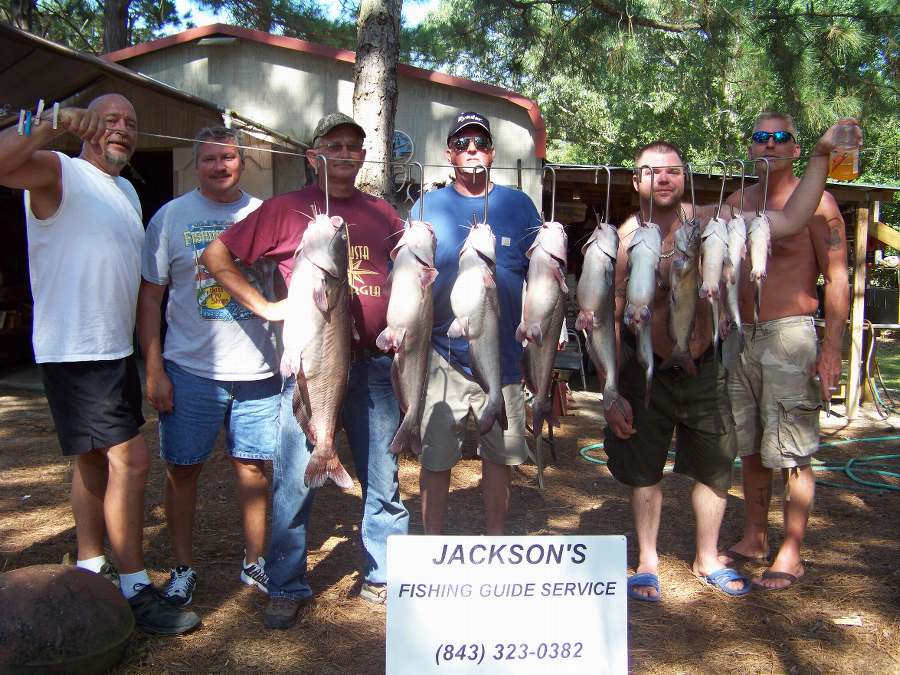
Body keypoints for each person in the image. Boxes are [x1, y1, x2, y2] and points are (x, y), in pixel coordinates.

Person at [603, 120, 855, 601]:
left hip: (704, 364)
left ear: (686, 179)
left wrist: (820, 157)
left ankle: (707, 556)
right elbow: (608, 314)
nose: (663, 179)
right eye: (650, 171)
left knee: (716, 467)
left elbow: (791, 220)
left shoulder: (715, 220)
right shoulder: (623, 238)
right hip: (646, 366)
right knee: (644, 469)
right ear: (635, 182)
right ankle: (647, 560)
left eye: (673, 171)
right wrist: (611, 389)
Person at [200, 112, 408, 629]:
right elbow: (216, 255)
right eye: (333, 145)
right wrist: (266, 307)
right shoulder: (284, 210)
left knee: (384, 481)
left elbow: (412, 272)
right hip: (311, 373)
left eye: (353, 146)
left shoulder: (384, 213)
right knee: (293, 481)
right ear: (313, 153)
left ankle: (385, 576)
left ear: (363, 156)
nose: (343, 154)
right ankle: (288, 583)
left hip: (374, 371)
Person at [0, 94, 199, 634]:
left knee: (92, 461)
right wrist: (52, 122)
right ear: (89, 126)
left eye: (130, 124)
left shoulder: (128, 191)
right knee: (131, 461)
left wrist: (146, 355)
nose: (122, 130)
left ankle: (91, 567)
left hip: (112, 351)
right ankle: (135, 589)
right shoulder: (57, 170)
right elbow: (2, 162)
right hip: (75, 348)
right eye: (110, 120)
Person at [137, 126, 277, 606]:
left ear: (243, 163)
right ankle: (182, 567)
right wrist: (153, 366)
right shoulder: (171, 218)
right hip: (189, 370)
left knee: (255, 469)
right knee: (182, 470)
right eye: (211, 159)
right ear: (194, 165)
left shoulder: (264, 214)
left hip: (258, 370)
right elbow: (151, 297)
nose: (221, 167)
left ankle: (256, 562)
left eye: (230, 158)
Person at [718, 112, 850, 590]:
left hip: (790, 336)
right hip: (741, 338)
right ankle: (754, 535)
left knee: (792, 451)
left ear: (797, 149)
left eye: (781, 138)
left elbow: (837, 276)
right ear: (751, 149)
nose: (769, 144)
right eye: (760, 137)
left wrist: (832, 348)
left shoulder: (819, 203)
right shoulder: (735, 203)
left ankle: (791, 550)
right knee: (750, 448)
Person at [414, 111, 542, 536]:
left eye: (480, 144)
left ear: (492, 152)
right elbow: (410, 274)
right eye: (463, 144)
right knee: (436, 457)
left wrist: (546, 333)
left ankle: (495, 539)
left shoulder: (519, 205)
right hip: (442, 354)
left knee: (500, 457)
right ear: (449, 153)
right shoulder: (427, 205)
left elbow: (542, 274)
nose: (472, 151)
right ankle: (432, 543)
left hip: (503, 355)